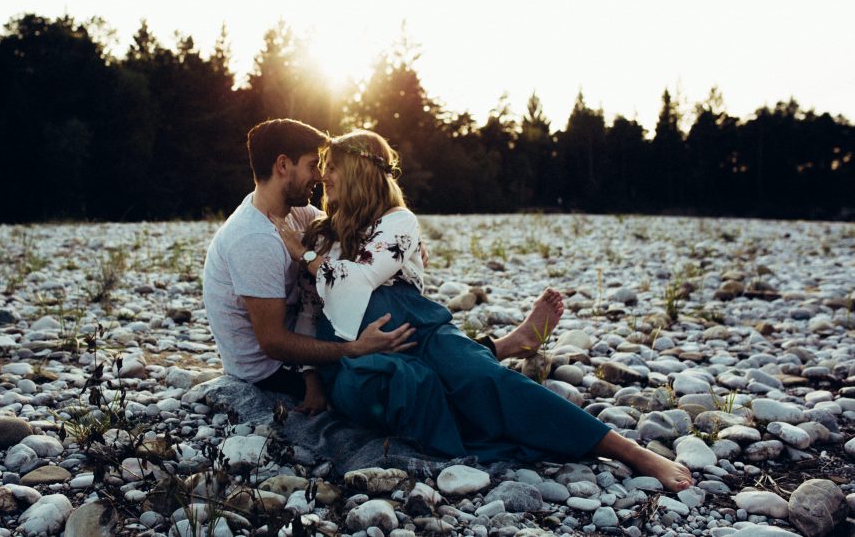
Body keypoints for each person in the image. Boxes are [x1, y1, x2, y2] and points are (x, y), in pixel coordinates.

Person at [271, 129, 693, 492]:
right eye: (322, 165)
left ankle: (623, 448)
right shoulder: (322, 235)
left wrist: (301, 253)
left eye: (334, 166)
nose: (325, 174)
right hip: (353, 352)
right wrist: (313, 383)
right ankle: (508, 345)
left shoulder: (398, 221)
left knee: (483, 379)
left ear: (363, 171)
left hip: (418, 330)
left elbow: (361, 278)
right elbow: (309, 313)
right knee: (408, 386)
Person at [202, 119, 416, 413]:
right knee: (390, 373)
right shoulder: (253, 239)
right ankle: (488, 356)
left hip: (305, 337)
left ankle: (484, 354)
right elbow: (273, 343)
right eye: (312, 165)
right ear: (282, 165)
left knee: (400, 348)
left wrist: (408, 237)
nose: (319, 176)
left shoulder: (296, 213)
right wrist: (353, 349)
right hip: (272, 370)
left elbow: (359, 224)